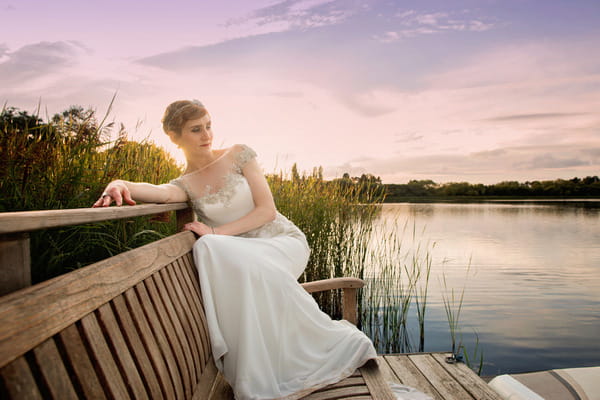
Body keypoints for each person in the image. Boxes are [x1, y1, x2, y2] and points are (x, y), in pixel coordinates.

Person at [93, 99, 377, 400]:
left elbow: (267, 211)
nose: (207, 135)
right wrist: (118, 182)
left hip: (281, 242)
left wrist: (214, 233)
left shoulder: (239, 154)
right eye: (195, 129)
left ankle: (310, 351)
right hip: (241, 258)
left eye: (208, 126)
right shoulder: (185, 184)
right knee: (214, 251)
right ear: (175, 138)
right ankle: (264, 370)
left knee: (209, 247)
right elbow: (160, 192)